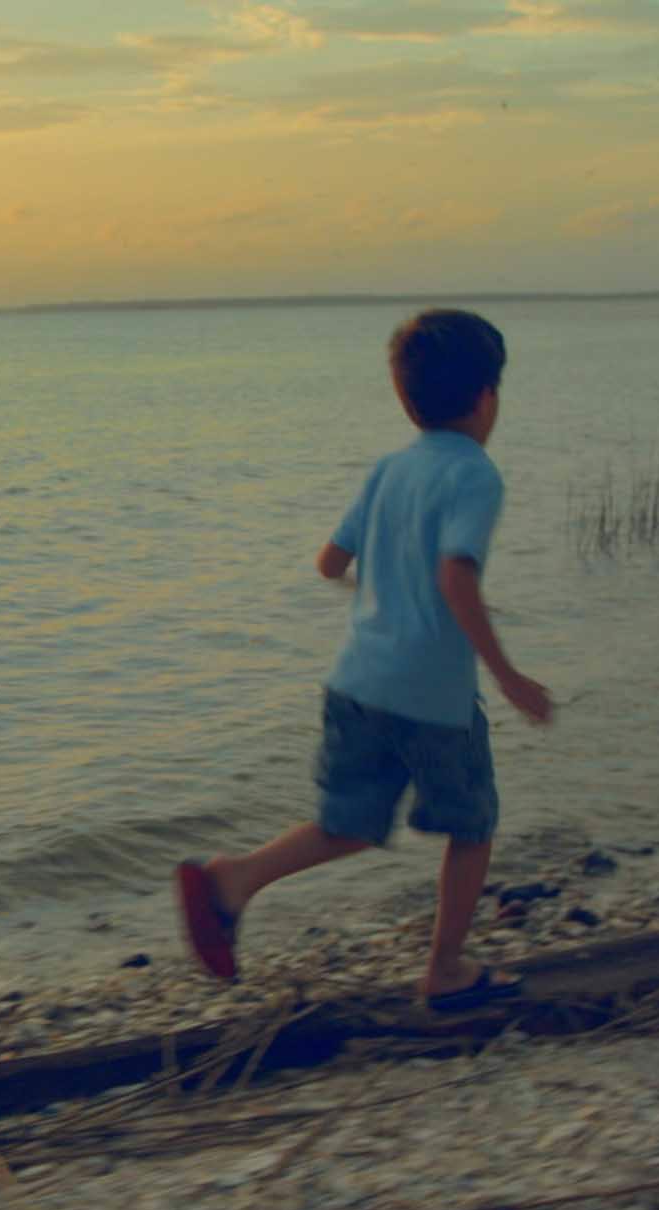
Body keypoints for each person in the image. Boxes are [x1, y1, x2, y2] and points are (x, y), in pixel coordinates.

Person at [174, 309, 554, 1011]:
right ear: (486, 399)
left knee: (349, 824)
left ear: (406, 398)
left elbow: (328, 563)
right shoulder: (475, 475)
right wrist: (509, 677)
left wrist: (385, 588)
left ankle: (234, 878)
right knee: (472, 827)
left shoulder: (390, 469)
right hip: (433, 697)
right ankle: (445, 969)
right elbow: (456, 576)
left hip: (357, 683)